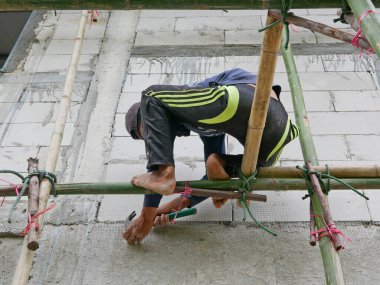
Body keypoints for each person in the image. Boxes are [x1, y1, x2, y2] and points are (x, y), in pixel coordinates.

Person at [123, 68, 299, 244]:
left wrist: (147, 217)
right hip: (275, 141)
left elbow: (154, 104)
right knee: (216, 168)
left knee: (151, 94)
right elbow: (210, 181)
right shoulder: (207, 125)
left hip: (252, 98)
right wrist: (171, 208)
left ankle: (164, 174)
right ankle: (216, 161)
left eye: (150, 129)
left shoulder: (198, 95)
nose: (155, 137)